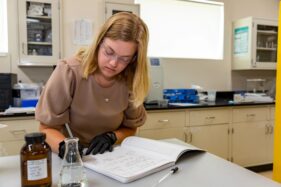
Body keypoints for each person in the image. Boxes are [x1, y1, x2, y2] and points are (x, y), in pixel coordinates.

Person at [35, 12, 150, 158]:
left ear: (134, 59)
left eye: (124, 59)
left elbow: (131, 127)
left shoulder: (131, 79)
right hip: (71, 156)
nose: (113, 63)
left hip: (113, 157)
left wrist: (112, 137)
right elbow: (46, 128)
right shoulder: (69, 71)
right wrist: (66, 147)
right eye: (109, 52)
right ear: (98, 42)